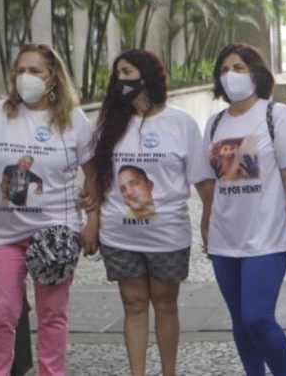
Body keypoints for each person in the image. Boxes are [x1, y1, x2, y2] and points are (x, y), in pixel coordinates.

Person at [81, 49, 214, 376]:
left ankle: (169, 372)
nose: (120, 80)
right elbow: (96, 180)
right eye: (118, 74)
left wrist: (209, 223)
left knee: (166, 306)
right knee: (134, 305)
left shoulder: (180, 123)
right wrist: (92, 222)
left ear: (148, 76)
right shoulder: (110, 124)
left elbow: (202, 181)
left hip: (167, 235)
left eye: (127, 72)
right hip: (118, 235)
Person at [201, 43, 286, 376]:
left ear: (256, 73)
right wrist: (206, 227)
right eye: (225, 69)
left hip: (267, 235)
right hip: (226, 236)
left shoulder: (274, 114)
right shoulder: (214, 124)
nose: (231, 75)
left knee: (257, 316)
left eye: (239, 68)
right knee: (240, 321)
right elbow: (210, 184)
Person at [0, 44, 92, 375]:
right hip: (5, 232)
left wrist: (92, 220)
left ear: (53, 77)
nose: (25, 77)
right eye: (21, 70)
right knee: (0, 312)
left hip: (54, 232)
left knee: (52, 314)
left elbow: (95, 176)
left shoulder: (73, 119)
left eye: (35, 71)